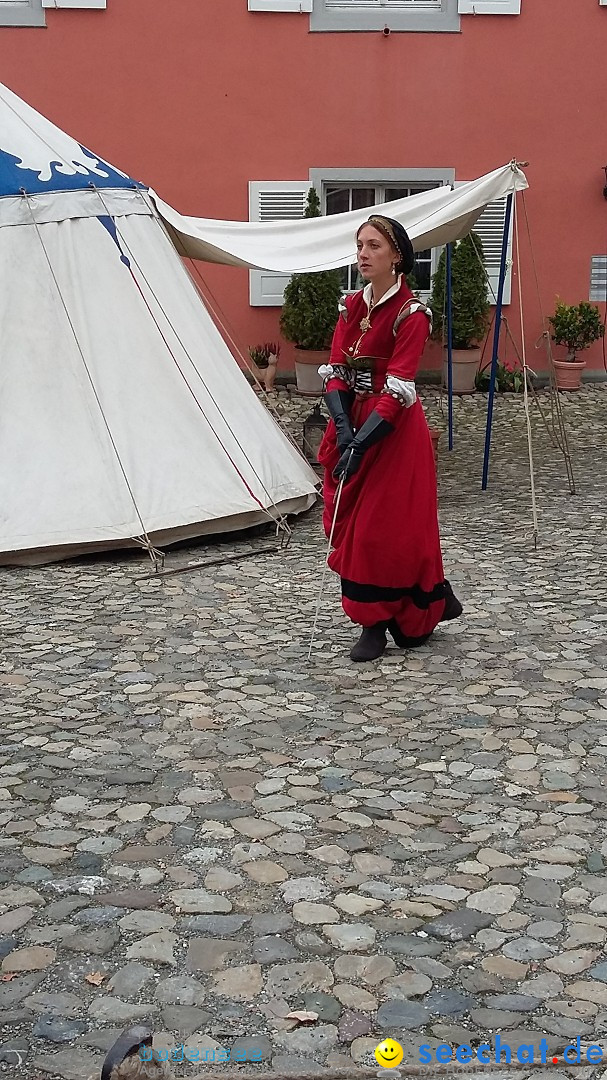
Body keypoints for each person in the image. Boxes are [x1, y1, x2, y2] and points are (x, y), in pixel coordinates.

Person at [316, 214, 462, 662]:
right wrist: (343, 431)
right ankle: (420, 601)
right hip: (355, 420)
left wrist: (362, 443)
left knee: (385, 528)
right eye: (360, 245)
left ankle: (380, 620)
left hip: (393, 431)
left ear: (397, 255)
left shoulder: (412, 314)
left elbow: (399, 387)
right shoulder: (351, 307)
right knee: (353, 519)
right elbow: (337, 370)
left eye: (374, 246)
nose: (363, 253)